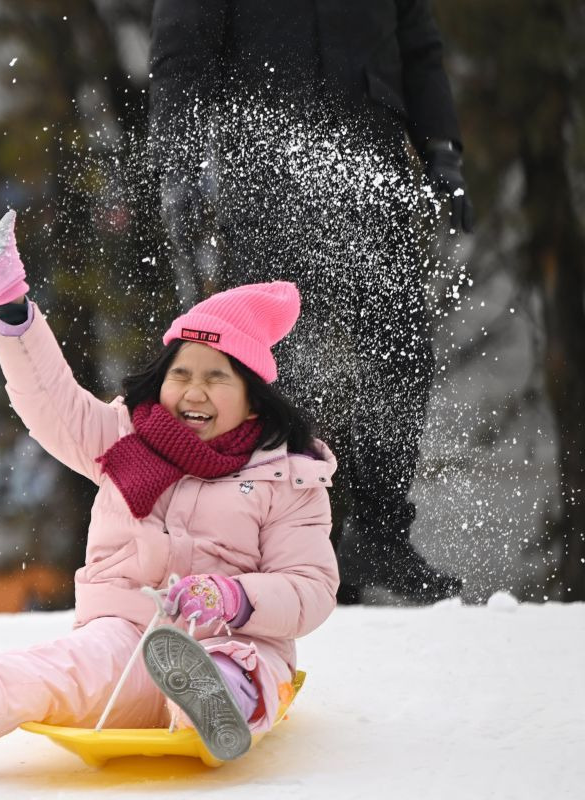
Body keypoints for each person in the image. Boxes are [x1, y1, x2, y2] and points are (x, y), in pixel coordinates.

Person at [0, 209, 338, 773]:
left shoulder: (288, 476)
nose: (192, 391)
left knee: (243, 667)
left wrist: (234, 598)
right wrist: (10, 301)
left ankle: (214, 702)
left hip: (232, 634)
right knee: (69, 667)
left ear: (253, 397)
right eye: (182, 373)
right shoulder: (125, 436)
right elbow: (51, 403)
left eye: (216, 376)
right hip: (124, 634)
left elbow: (309, 586)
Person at [149, 1, 471, 603]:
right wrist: (181, 162)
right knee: (270, 368)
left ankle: (378, 536)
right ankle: (262, 540)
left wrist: (442, 147)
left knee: (399, 349)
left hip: (372, 162)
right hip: (267, 171)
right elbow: (182, 50)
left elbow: (418, 42)